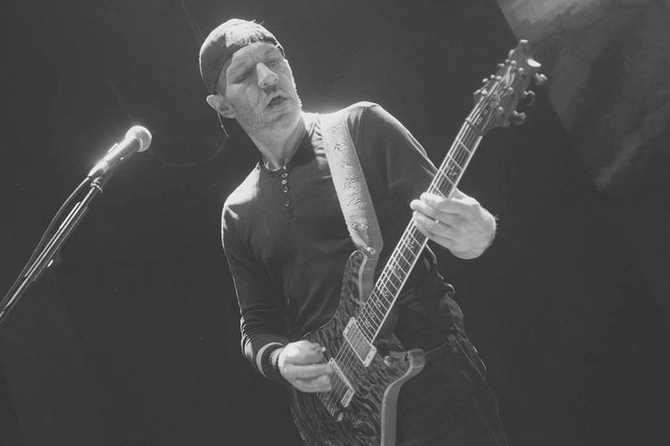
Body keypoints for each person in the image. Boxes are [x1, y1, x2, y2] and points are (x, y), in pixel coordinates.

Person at [199, 18, 508, 445]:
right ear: (223, 106)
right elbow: (256, 325)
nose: (268, 77)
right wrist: (281, 358)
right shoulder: (238, 212)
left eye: (274, 60)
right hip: (339, 413)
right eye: (245, 74)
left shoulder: (361, 127)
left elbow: (451, 211)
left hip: (431, 372)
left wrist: (480, 232)